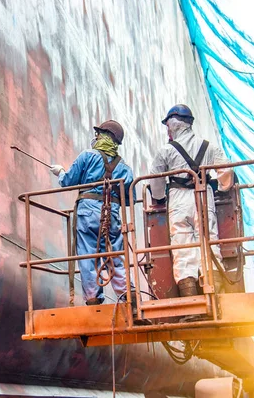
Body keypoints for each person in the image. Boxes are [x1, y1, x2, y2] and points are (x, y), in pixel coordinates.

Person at [149, 104, 234, 297]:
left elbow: (156, 179)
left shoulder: (166, 151)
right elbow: (226, 171)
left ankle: (191, 301)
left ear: (172, 125)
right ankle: (216, 297)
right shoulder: (209, 147)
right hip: (204, 196)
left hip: (179, 200)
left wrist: (160, 197)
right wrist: (221, 188)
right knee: (210, 242)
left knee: (183, 248)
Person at [50, 120, 134, 305]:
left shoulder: (87, 156)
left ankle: (93, 299)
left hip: (87, 213)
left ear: (102, 136)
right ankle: (129, 294)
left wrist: (61, 172)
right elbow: (130, 199)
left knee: (88, 255)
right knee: (116, 255)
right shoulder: (125, 168)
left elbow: (68, 182)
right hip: (111, 214)